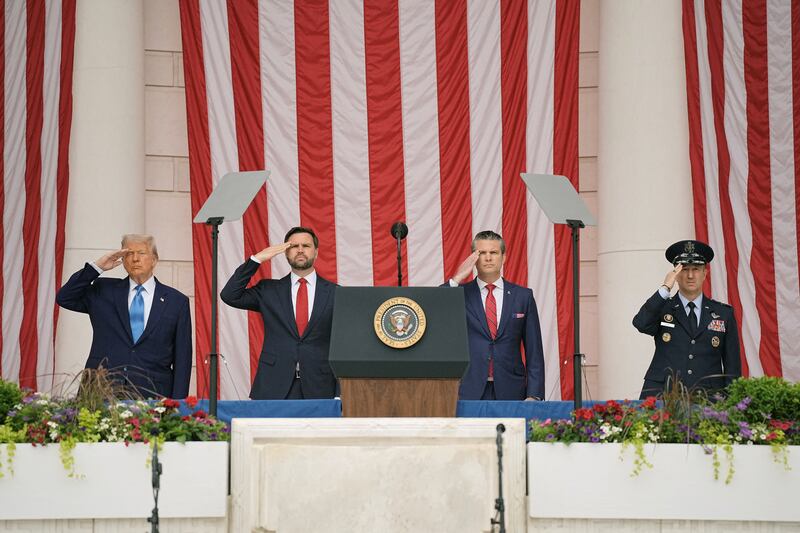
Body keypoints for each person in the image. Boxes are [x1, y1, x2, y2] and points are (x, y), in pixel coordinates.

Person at [56, 234, 192, 398]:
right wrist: (97, 267)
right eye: (128, 253)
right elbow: (65, 297)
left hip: (153, 394)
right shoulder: (103, 290)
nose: (135, 259)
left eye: (141, 253)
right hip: (102, 391)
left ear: (154, 259)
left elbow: (182, 359)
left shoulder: (176, 302)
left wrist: (178, 405)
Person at [220, 226, 337, 399]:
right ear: (285, 253)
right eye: (293, 246)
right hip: (274, 384)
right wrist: (257, 259)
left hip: (321, 386)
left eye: (306, 246)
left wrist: (339, 392)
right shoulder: (269, 290)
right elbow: (230, 295)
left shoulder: (336, 293)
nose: (300, 250)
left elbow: (343, 344)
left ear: (316, 252)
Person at [633, 239, 741, 399]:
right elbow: (641, 323)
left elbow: (732, 367)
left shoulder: (723, 313)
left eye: (696, 269)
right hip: (664, 395)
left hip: (707, 398)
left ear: (705, 273)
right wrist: (665, 288)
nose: (690, 275)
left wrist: (733, 403)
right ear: (676, 275)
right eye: (684, 269)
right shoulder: (662, 307)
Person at [446, 230, 545, 400]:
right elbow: (436, 309)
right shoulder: (459, 294)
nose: (488, 258)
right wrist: (457, 278)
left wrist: (534, 394)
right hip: (469, 389)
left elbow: (534, 350)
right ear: (474, 258)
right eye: (482, 253)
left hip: (512, 389)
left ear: (503, 257)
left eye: (493, 252)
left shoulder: (523, 296)